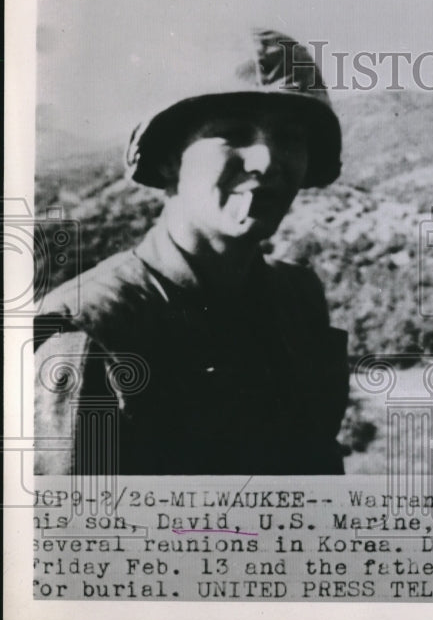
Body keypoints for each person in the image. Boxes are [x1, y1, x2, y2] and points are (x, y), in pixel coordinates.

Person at [34, 29, 350, 475]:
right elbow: (72, 534)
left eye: (291, 137)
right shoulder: (92, 331)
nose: (266, 161)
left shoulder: (297, 297)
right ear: (169, 160)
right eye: (234, 133)